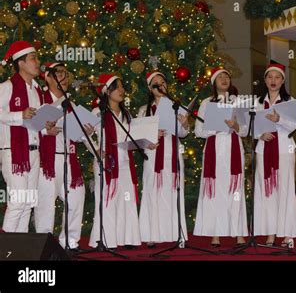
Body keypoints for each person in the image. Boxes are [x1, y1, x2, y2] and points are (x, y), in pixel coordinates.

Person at [194, 67, 248, 247]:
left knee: (236, 191)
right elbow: (198, 131)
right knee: (215, 191)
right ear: (214, 83)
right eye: (220, 77)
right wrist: (214, 128)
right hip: (214, 149)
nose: (224, 79)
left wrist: (236, 126)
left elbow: (246, 130)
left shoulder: (238, 102)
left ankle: (238, 232)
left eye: (227, 76)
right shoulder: (206, 103)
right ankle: (215, 233)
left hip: (233, 149)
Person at [84, 74, 140, 249]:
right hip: (106, 164)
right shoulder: (98, 112)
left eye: (122, 87)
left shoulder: (126, 114)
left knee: (126, 199)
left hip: (125, 163)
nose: (122, 91)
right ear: (107, 91)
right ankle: (107, 239)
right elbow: (84, 134)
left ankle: (127, 238)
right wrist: (96, 150)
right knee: (107, 200)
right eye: (118, 87)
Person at [34, 62, 85, 250]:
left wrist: (83, 132)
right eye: (59, 73)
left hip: (68, 157)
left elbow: (75, 135)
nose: (64, 77)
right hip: (48, 159)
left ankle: (70, 241)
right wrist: (47, 131)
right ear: (48, 77)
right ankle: (44, 244)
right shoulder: (40, 98)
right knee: (46, 204)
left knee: (77, 198)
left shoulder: (69, 102)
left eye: (66, 73)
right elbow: (30, 128)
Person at [253, 63, 296, 247]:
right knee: (267, 191)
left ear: (283, 80)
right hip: (263, 150)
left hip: (284, 149)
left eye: (277, 77)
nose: (273, 81)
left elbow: (295, 125)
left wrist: (279, 120)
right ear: (265, 80)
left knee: (285, 190)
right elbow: (250, 127)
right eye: (269, 77)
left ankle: (288, 233)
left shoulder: (290, 101)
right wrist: (260, 134)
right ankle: (270, 233)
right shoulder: (258, 102)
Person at [138, 71, 189, 247]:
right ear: (151, 88)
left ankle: (176, 234)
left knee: (173, 192)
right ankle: (151, 234)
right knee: (152, 193)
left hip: (172, 155)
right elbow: (139, 138)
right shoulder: (144, 110)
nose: (160, 85)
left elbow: (183, 134)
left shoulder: (176, 106)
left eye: (163, 82)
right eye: (156, 83)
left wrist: (184, 124)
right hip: (153, 157)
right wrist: (152, 136)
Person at [0, 41, 46, 232]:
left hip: (34, 152)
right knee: (18, 203)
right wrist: (20, 115)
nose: (37, 62)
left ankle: (19, 249)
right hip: (14, 152)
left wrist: (46, 126)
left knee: (28, 204)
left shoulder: (36, 91)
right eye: (33, 58)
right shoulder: (7, 86)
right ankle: (5, 251)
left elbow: (34, 124)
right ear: (20, 63)